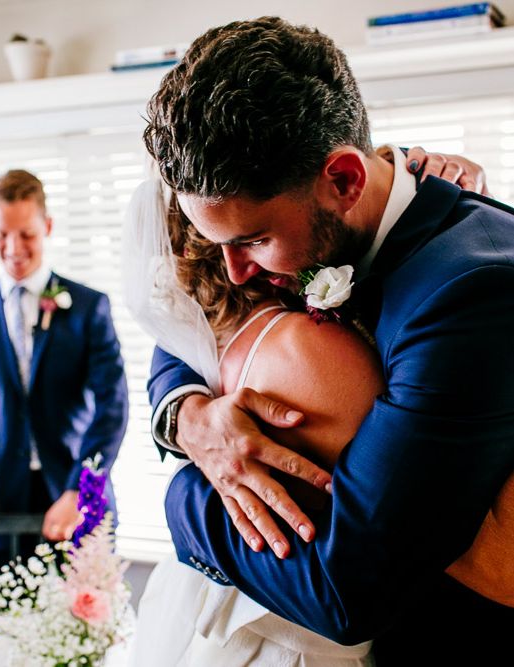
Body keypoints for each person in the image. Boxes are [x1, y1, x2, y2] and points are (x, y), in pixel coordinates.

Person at [141, 17, 514, 665]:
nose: (234, 273)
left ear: (344, 180)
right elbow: (188, 326)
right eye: (217, 244)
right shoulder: (311, 217)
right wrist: (186, 417)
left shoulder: (470, 291)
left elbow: (348, 592)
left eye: (250, 240)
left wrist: (182, 498)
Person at [0, 169, 129, 580]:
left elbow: (112, 410)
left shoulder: (89, 307)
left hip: (75, 493)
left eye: (27, 234)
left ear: (47, 227)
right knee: (2, 628)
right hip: (3, 502)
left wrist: (79, 490)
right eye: (1, 235)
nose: (13, 248)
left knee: (84, 631)